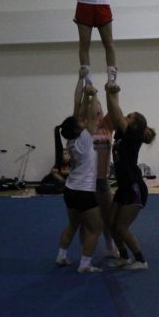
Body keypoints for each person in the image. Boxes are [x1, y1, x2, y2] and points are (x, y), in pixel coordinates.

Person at [104, 81, 155, 270]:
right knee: (110, 223)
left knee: (121, 227)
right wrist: (112, 93)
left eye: (128, 117)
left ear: (133, 125)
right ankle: (124, 257)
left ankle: (141, 260)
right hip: (124, 187)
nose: (123, 117)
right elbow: (115, 112)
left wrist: (111, 94)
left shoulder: (132, 135)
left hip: (135, 187)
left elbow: (116, 112)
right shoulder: (121, 134)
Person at [55, 83, 104, 273]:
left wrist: (86, 95)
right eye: (80, 123)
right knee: (95, 229)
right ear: (78, 128)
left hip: (71, 190)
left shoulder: (71, 139)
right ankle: (85, 264)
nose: (83, 122)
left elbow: (81, 116)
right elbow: (91, 116)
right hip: (84, 191)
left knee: (73, 224)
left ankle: (61, 255)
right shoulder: (84, 138)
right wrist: (93, 95)